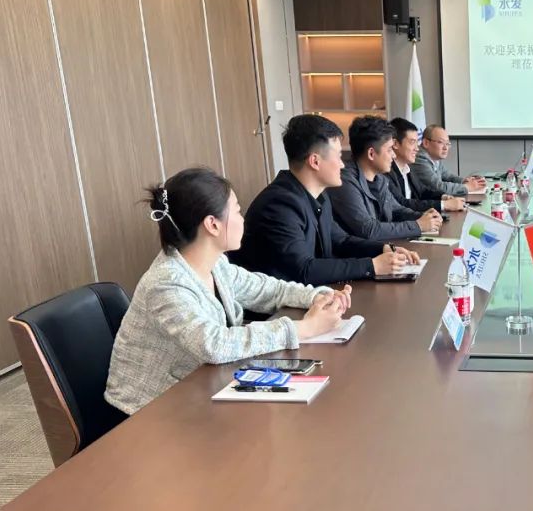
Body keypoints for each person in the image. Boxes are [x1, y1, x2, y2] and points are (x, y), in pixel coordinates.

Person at [106, 167, 351, 415]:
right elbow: (214, 344)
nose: (243, 219)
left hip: (199, 390)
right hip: (147, 412)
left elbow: (267, 289)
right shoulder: (166, 283)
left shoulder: (216, 264)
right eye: (237, 210)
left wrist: (318, 296)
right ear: (212, 224)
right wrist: (305, 328)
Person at [231, 114, 418, 283]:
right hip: (278, 306)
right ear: (315, 161)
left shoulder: (320, 196)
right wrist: (372, 266)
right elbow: (304, 270)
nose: (343, 165)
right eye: (338, 156)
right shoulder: (279, 205)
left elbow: (340, 240)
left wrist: (383, 249)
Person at [329, 115, 443, 242]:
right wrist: (418, 225)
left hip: (383, 248)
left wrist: (425, 217)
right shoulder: (344, 181)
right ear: (371, 153)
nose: (393, 155)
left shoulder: (380, 178)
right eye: (389, 150)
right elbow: (368, 230)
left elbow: (396, 210)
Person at [386, 117, 468, 214]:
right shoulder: (387, 172)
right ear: (395, 144)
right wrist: (444, 205)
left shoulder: (407, 168)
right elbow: (402, 203)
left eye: (417, 143)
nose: (417, 148)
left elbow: (422, 191)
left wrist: (443, 197)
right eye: (412, 142)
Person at [411, 124, 485, 198]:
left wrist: (464, 181)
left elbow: (448, 176)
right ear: (426, 143)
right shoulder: (419, 158)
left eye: (447, 143)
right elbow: (438, 187)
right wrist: (467, 187)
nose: (445, 148)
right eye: (441, 142)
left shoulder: (434, 158)